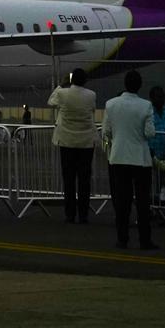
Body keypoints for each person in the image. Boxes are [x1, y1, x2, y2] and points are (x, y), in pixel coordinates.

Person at [102, 69, 159, 251]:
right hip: (140, 159)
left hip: (118, 157)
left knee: (122, 201)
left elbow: (106, 132)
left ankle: (122, 239)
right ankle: (144, 240)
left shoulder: (111, 104)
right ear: (139, 86)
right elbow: (150, 133)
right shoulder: (146, 106)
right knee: (142, 202)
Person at [48, 68, 98, 224]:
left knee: (68, 179)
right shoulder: (91, 95)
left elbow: (51, 102)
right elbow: (92, 110)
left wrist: (61, 86)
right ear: (85, 80)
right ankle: (83, 214)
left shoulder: (63, 93)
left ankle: (70, 214)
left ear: (71, 80)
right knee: (84, 180)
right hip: (86, 142)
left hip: (66, 141)